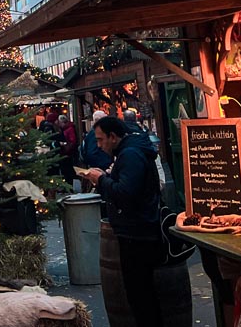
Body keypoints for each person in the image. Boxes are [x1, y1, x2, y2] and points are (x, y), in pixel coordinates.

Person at [83, 117, 165, 327]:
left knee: (140, 295)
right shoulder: (130, 152)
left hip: (137, 233)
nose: (99, 146)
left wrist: (101, 180)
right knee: (143, 294)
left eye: (101, 140)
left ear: (113, 136)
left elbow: (126, 193)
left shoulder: (130, 155)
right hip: (139, 230)